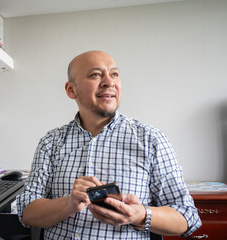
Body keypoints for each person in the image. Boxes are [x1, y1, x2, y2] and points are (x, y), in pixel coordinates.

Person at [16, 50, 201, 239]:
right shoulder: (51, 142)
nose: (109, 82)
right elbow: (26, 212)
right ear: (71, 90)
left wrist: (140, 216)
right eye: (95, 74)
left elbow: (187, 218)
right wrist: (69, 204)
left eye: (114, 74)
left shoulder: (151, 139)